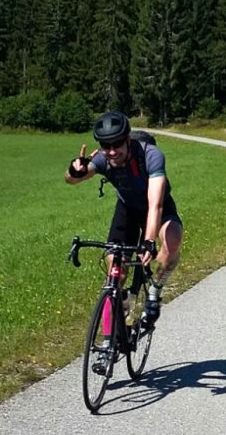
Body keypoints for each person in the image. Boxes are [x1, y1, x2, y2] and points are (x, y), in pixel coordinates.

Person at [65, 111, 183, 330]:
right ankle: (110, 338)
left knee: (172, 241)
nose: (111, 151)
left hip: (158, 207)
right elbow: (72, 179)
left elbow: (155, 204)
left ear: (128, 139)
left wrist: (149, 241)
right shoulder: (104, 158)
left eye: (117, 144)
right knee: (114, 272)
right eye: (105, 145)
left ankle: (155, 292)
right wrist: (75, 169)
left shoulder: (151, 155)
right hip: (127, 209)